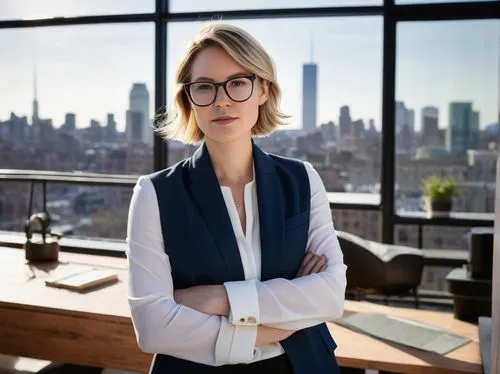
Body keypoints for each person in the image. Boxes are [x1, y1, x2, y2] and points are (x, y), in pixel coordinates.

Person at [126, 22, 347, 374]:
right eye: (205, 87)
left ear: (263, 90)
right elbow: (153, 328)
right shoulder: (155, 193)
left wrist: (219, 298)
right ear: (189, 99)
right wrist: (288, 316)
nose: (222, 100)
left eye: (238, 83)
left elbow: (331, 296)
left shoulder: (302, 179)